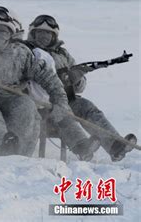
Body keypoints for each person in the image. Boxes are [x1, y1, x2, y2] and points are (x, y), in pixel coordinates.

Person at [0, 6, 100, 159]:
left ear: (11, 32)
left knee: (26, 105)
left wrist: (60, 101)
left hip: (9, 97)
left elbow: (49, 78)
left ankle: (21, 157)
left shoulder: (22, 53)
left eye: (3, 30)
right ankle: (4, 146)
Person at [26, 14, 137, 161]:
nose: (44, 36)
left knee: (86, 106)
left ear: (54, 36)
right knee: (64, 112)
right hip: (40, 105)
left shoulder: (62, 54)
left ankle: (115, 146)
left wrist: (76, 81)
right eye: (40, 32)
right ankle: (82, 147)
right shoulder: (26, 52)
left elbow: (80, 84)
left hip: (66, 99)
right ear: (33, 33)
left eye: (48, 33)